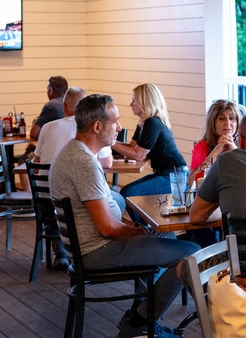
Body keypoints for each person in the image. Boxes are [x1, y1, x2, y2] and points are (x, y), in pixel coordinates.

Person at [49, 94, 199, 338]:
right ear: (98, 127)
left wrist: (140, 231)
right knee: (191, 254)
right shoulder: (84, 163)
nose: (119, 127)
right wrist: (139, 231)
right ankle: (140, 323)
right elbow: (108, 229)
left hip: (88, 248)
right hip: (97, 251)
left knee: (169, 240)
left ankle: (141, 315)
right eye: (115, 121)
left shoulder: (74, 152)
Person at [32, 86, 125, 270]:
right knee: (118, 199)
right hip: (92, 248)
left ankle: (60, 251)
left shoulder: (49, 128)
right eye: (116, 122)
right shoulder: (87, 147)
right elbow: (107, 163)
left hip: (45, 202)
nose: (119, 127)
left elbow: (36, 167)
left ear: (65, 107)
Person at [112, 83, 186, 198]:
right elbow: (132, 147)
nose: (130, 104)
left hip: (175, 176)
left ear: (144, 102)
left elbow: (138, 155)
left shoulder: (153, 122)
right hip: (165, 174)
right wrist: (109, 143)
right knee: (125, 191)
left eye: (134, 101)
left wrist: (110, 142)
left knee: (128, 193)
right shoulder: (143, 122)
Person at [188, 99, 241, 184]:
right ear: (213, 123)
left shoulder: (244, 143)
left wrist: (235, 150)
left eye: (232, 118)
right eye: (221, 119)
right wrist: (216, 151)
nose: (227, 123)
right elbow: (192, 183)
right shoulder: (201, 146)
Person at [29, 75, 68, 140]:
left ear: (51, 90)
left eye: (47, 88)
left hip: (54, 145)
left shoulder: (51, 105)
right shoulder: (71, 103)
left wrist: (35, 121)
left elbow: (34, 134)